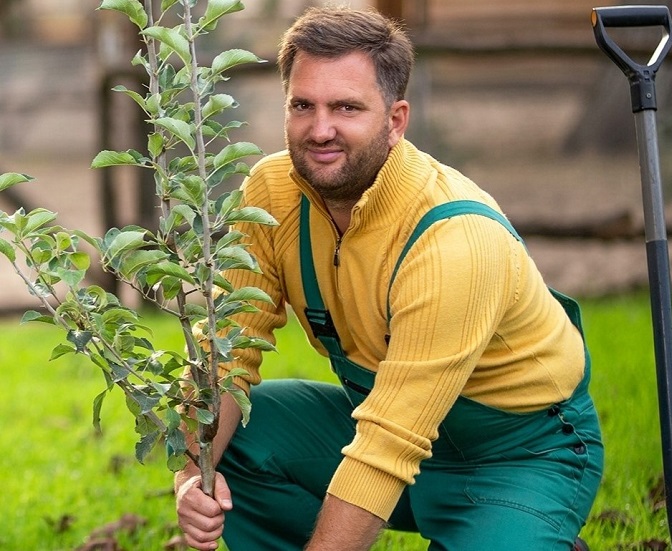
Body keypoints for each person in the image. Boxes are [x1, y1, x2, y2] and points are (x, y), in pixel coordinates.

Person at [175, 6, 604, 551]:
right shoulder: (271, 194)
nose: (320, 129)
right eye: (302, 105)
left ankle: (529, 532)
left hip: (515, 452)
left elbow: (387, 445)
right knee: (234, 440)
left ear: (396, 120)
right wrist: (191, 474)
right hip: (385, 423)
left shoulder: (454, 238)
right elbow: (224, 352)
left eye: (346, 107)